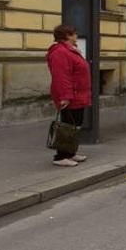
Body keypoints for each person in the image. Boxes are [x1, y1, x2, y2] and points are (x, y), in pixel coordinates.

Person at [46, 24, 91, 167]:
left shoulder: (69, 50)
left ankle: (70, 153)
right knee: (67, 126)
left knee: (75, 125)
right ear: (67, 36)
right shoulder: (60, 52)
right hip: (70, 96)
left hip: (78, 94)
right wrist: (65, 96)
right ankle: (60, 156)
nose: (76, 36)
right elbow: (61, 76)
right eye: (74, 34)